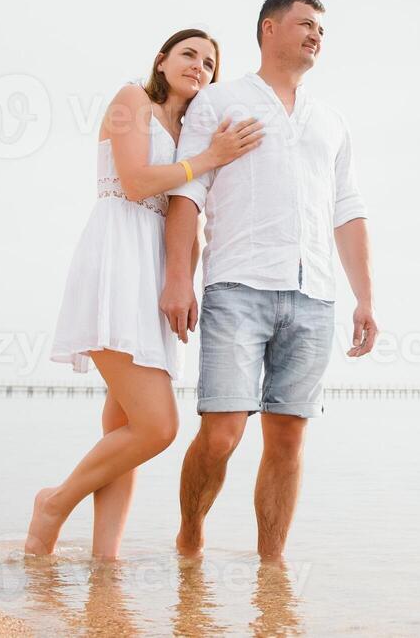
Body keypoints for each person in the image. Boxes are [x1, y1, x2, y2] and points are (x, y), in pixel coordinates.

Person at [26, 28, 263, 558]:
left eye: (209, 63)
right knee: (158, 427)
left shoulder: (192, 131)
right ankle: (54, 503)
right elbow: (134, 182)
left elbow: (189, 213)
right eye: (188, 55)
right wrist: (210, 158)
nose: (199, 66)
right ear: (162, 59)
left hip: (155, 272)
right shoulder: (132, 98)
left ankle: (104, 562)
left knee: (124, 428)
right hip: (117, 258)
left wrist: (187, 279)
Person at [160, 0, 378, 564]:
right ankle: (190, 537)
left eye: (322, 31)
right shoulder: (219, 101)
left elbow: (348, 209)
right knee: (224, 432)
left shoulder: (331, 120)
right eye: (305, 24)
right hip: (236, 286)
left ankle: (271, 568)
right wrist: (178, 279)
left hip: (314, 298)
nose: (316, 36)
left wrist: (365, 299)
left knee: (288, 439)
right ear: (269, 29)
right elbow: (187, 193)